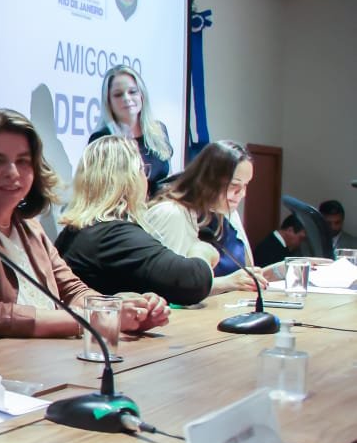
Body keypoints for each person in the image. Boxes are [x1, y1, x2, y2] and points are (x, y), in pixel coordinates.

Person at [0, 108, 169, 340]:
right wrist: (92, 320)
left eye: (23, 161)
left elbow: (72, 290)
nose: (13, 172)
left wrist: (121, 311)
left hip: (41, 362)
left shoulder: (28, 225)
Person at [54, 137, 215, 306]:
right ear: (129, 180)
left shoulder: (78, 231)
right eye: (142, 170)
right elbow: (192, 283)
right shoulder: (113, 236)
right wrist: (201, 251)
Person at [144, 140, 276, 294]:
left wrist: (282, 270)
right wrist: (227, 283)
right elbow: (166, 285)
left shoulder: (228, 213)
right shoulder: (171, 214)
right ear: (209, 180)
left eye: (246, 185)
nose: (242, 194)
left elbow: (246, 273)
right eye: (234, 186)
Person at [87, 66, 173, 195]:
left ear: (142, 95)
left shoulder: (159, 130)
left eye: (132, 92)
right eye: (118, 94)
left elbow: (166, 177)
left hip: (158, 209)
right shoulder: (102, 139)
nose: (127, 98)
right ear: (108, 102)